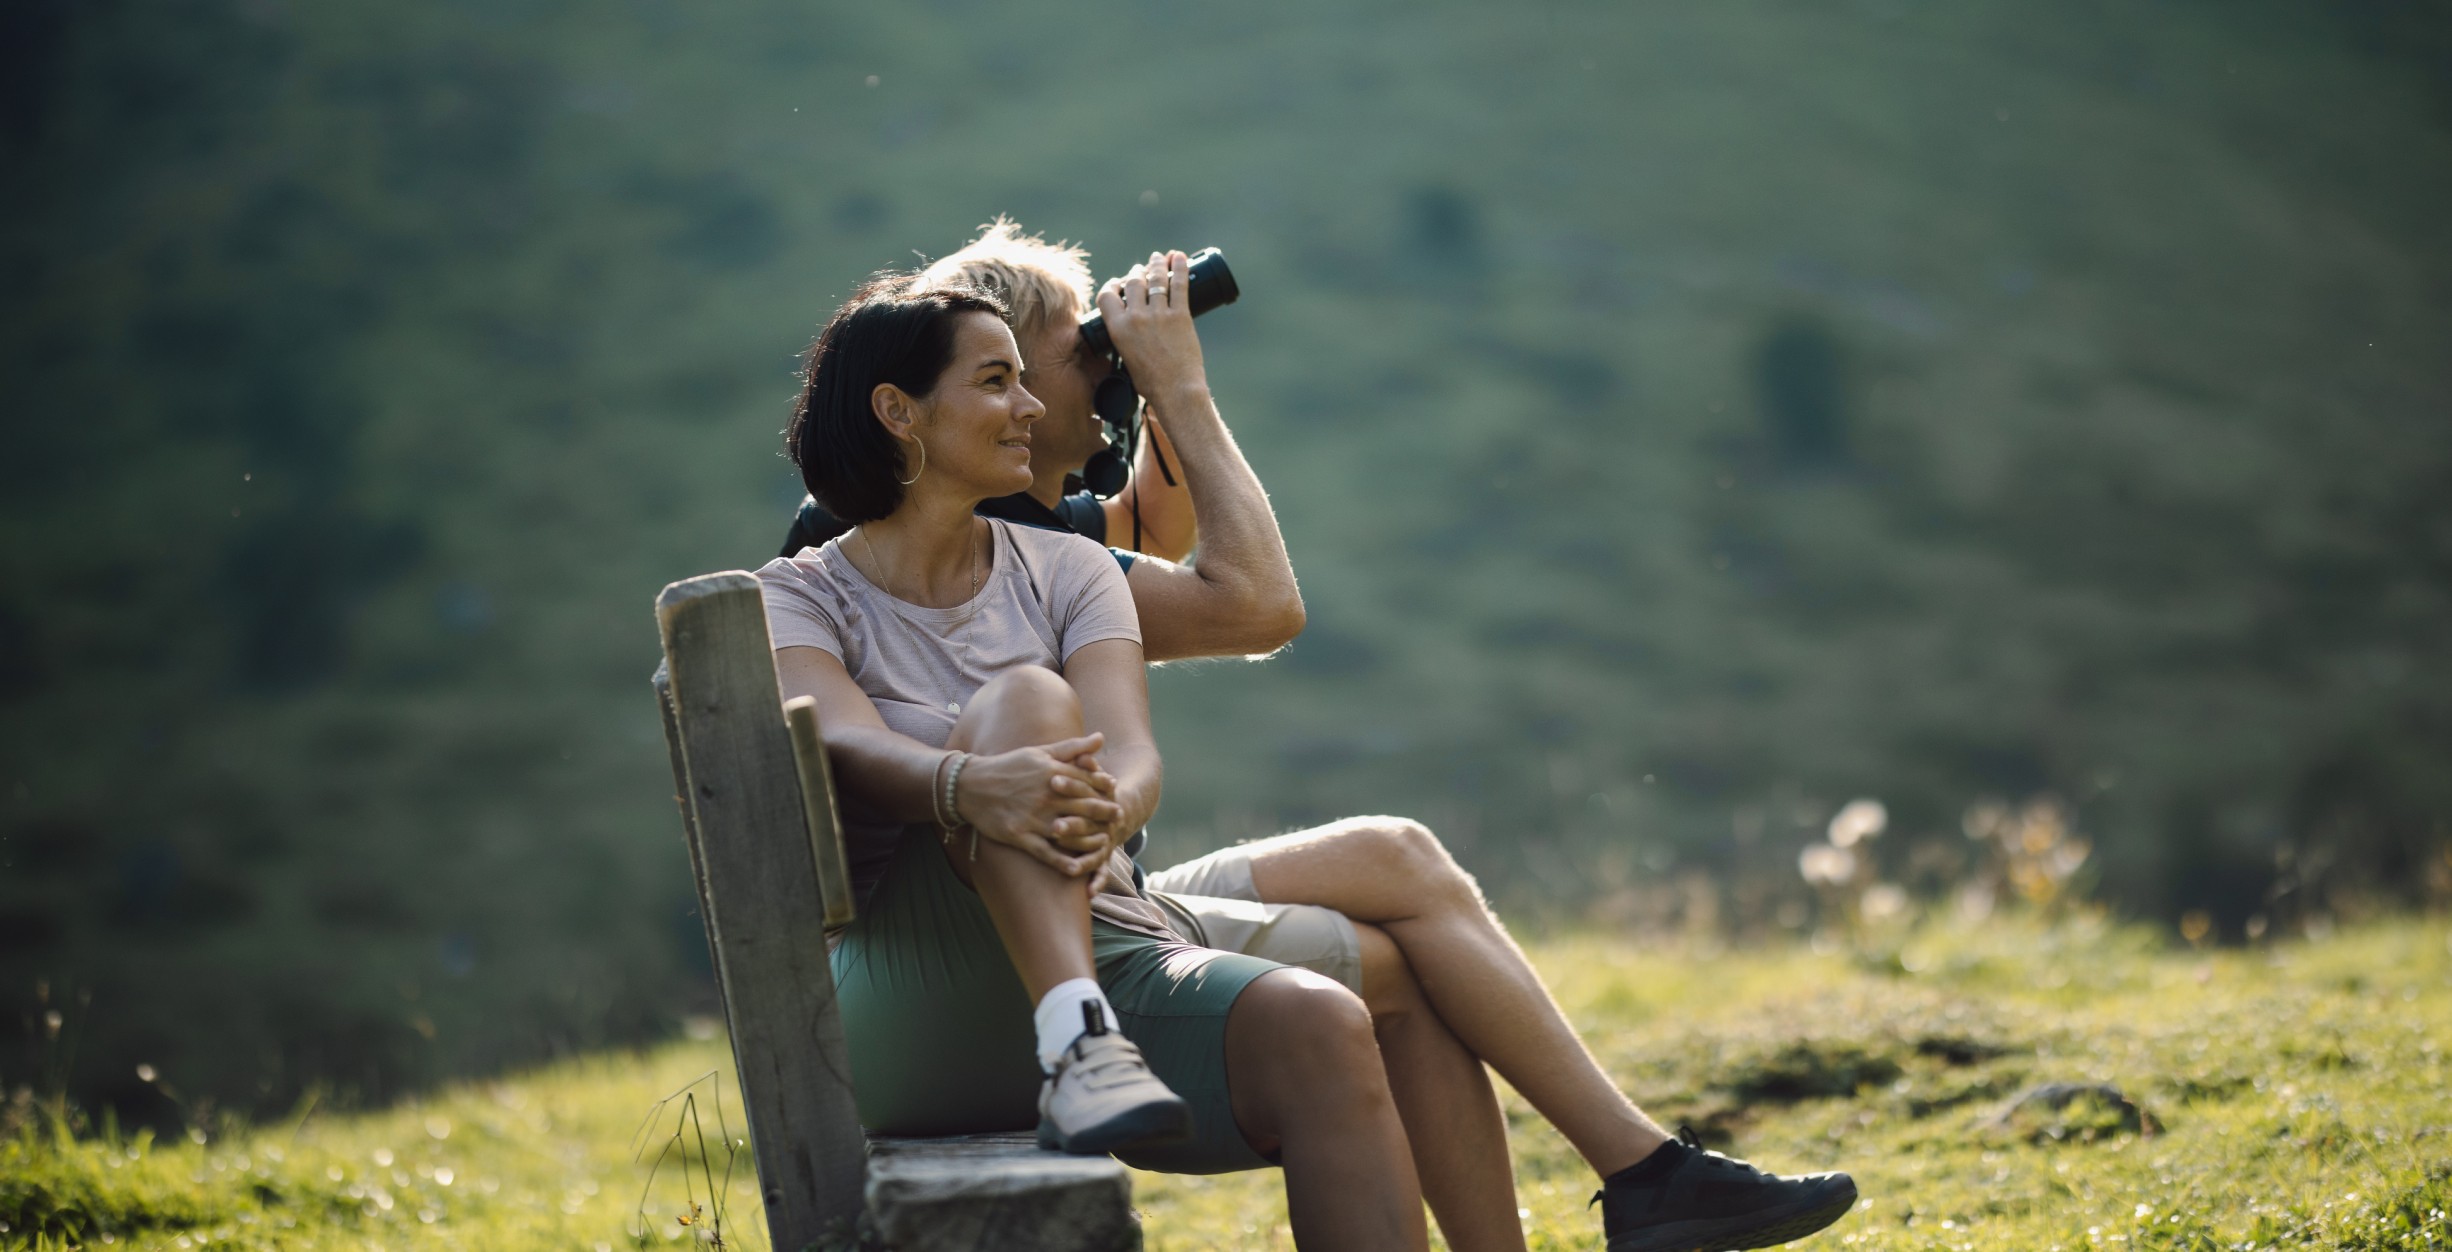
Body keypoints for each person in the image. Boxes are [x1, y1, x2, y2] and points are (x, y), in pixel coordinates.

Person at [769, 235, 1858, 1251]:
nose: (1063, 387)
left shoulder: (1050, 545)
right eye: (1051, 363)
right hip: (974, 929)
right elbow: (1255, 603)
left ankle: (1642, 1173)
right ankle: (1644, 1175)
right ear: (915, 406)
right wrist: (1170, 385)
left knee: (1394, 879)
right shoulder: (862, 556)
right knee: (1393, 933)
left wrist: (1154, 377)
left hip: (1102, 882)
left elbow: (1166, 531)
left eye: (1035, 369)